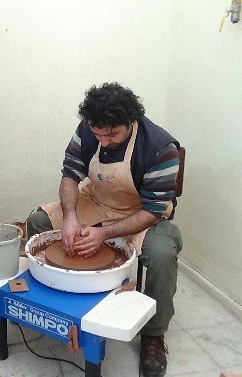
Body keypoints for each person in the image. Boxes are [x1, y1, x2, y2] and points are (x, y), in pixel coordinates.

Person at [26, 83, 183, 377]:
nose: (105, 140)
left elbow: (153, 210)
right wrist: (70, 216)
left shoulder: (161, 148)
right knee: (39, 222)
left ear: (131, 121)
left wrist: (103, 234)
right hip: (96, 200)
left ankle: (154, 336)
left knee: (162, 255)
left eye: (112, 134)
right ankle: (47, 305)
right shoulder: (88, 128)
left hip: (143, 212)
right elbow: (70, 175)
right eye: (98, 134)